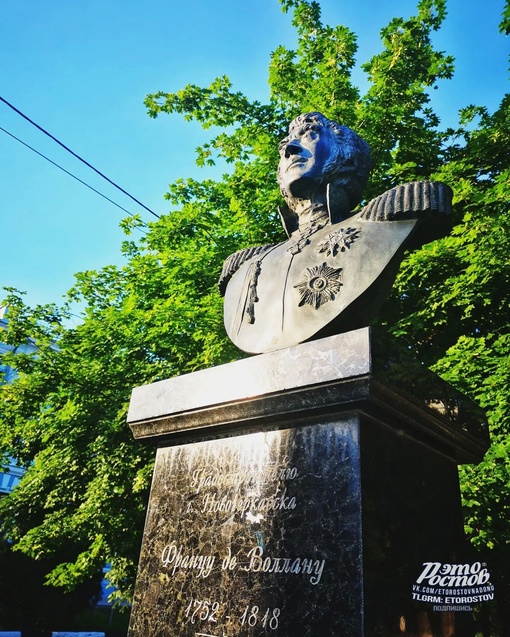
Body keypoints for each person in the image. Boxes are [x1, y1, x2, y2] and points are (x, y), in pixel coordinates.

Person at [219, 112, 452, 354]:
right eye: (283, 147)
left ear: (346, 154)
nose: (290, 148)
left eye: (308, 134)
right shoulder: (248, 265)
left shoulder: (387, 218)